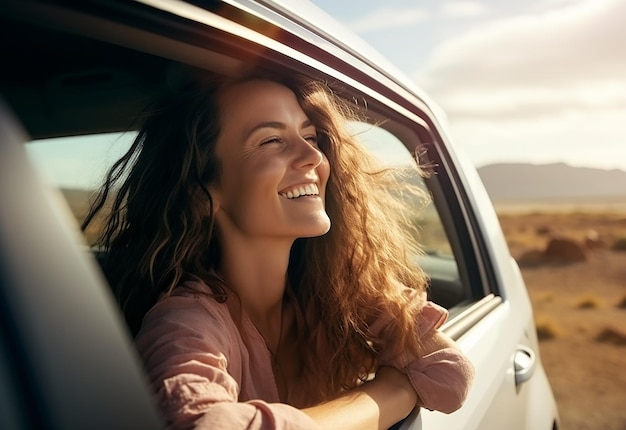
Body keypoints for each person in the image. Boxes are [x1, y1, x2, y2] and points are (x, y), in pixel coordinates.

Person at [82, 70, 475, 429]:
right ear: (204, 195)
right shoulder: (186, 320)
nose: (314, 157)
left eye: (310, 136)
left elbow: (449, 373)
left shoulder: (340, 292)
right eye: (271, 140)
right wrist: (393, 388)